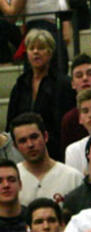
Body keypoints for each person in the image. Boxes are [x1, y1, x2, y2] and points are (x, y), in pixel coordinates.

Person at [5, 31, 74, 160]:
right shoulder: (21, 84)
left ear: (50, 52)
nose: (36, 52)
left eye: (41, 48)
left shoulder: (63, 84)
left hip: (53, 151)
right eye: (32, 48)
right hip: (22, 151)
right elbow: (11, 122)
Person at [12, 113, 83, 206]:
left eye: (34, 137)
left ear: (45, 136)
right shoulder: (10, 180)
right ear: (15, 146)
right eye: (23, 141)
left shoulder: (73, 178)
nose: (30, 145)